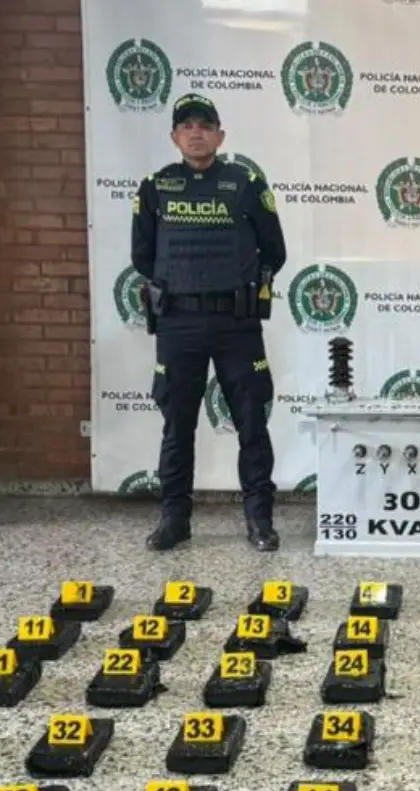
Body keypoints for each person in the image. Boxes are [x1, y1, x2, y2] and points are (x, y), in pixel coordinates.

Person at [131, 93, 287, 552]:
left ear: (220, 136)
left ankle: (260, 520)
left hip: (236, 322)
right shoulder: (155, 187)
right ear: (174, 137)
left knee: (251, 423)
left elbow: (274, 250)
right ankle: (174, 520)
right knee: (177, 426)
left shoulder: (245, 183)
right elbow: (142, 255)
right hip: (178, 323)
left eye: (205, 125)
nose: (196, 133)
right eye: (187, 126)